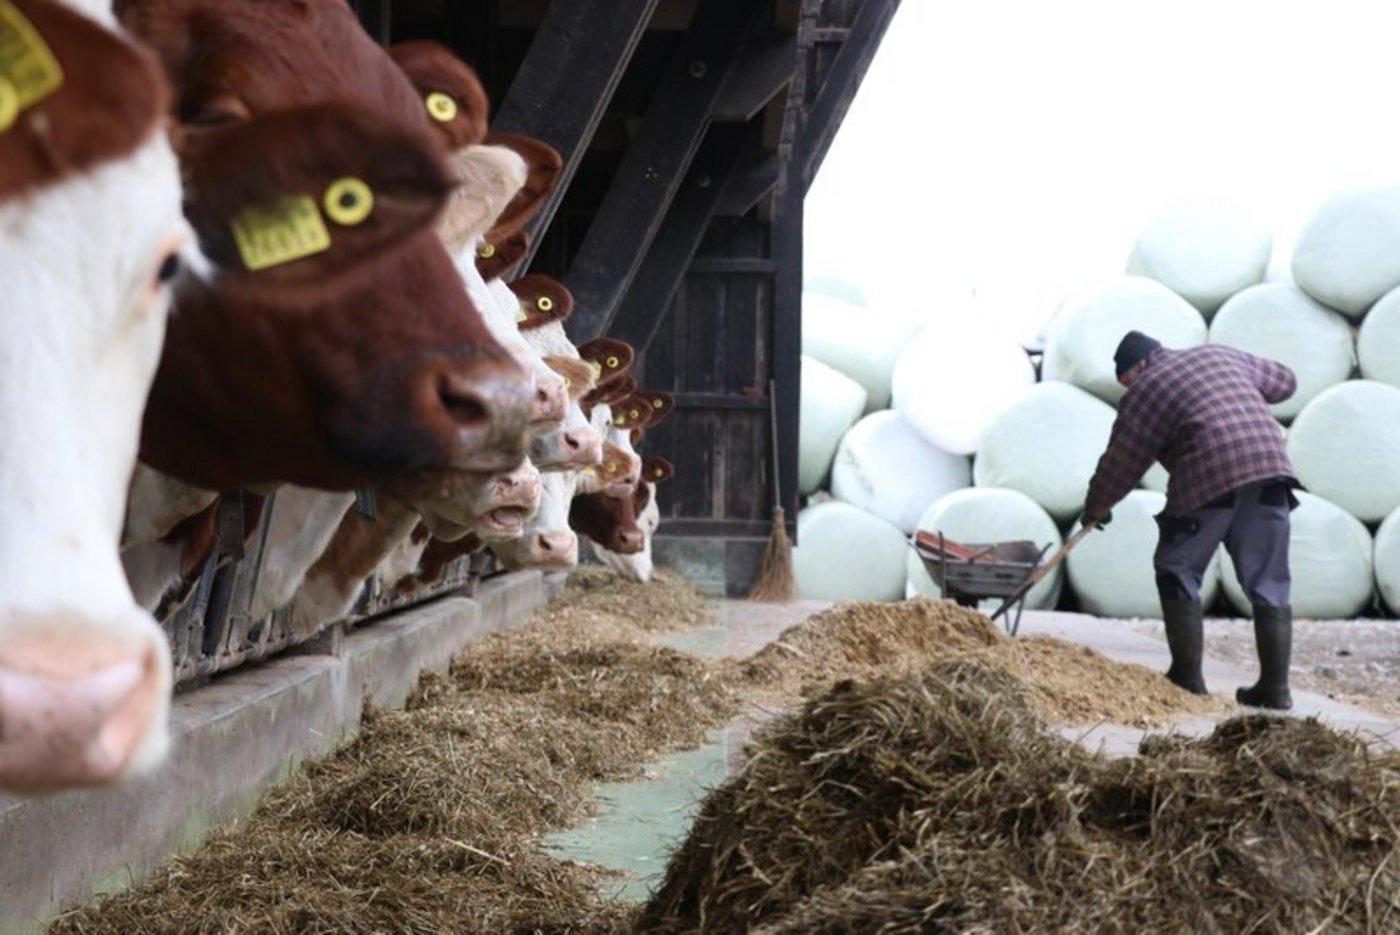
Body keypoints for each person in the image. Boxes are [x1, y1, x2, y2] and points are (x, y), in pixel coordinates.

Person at [1081, 330, 1299, 710]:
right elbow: (1285, 382)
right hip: (1269, 471)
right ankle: (1275, 689)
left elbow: (1121, 462)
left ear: (1140, 365)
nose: (1129, 389)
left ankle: (1187, 676)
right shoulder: (1220, 355)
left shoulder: (1146, 388)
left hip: (1209, 476)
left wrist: (1095, 507)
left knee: (1175, 566)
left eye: (1127, 380)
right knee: (1269, 581)